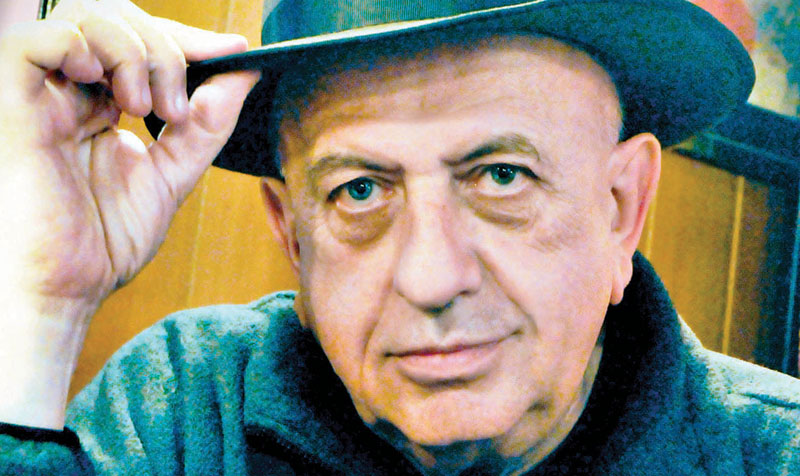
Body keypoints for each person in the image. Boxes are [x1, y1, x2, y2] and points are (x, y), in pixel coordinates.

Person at [0, 0, 798, 474]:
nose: (431, 276)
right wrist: (41, 309)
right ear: (292, 237)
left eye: (502, 177)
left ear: (622, 207)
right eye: (359, 190)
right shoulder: (188, 414)